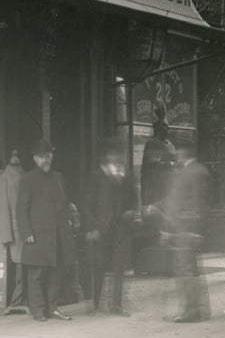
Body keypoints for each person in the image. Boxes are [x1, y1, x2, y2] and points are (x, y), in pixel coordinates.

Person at [16, 139, 77, 322]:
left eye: (48, 155)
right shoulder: (27, 179)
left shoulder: (58, 177)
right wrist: (26, 233)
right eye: (41, 157)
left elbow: (63, 204)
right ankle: (38, 310)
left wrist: (68, 224)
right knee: (36, 274)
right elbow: (21, 209)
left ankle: (53, 308)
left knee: (56, 272)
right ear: (35, 158)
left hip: (57, 234)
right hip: (37, 235)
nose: (45, 160)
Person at [149, 143, 210, 323]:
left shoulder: (196, 172)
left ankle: (192, 311)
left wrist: (197, 231)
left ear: (185, 152)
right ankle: (191, 309)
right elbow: (175, 197)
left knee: (187, 270)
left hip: (188, 228)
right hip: (182, 227)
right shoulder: (188, 170)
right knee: (185, 269)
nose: (175, 154)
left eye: (178, 151)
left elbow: (201, 203)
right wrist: (157, 206)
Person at [82, 138, 138, 316]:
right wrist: (93, 227)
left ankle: (116, 305)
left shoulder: (127, 175)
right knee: (98, 266)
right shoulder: (97, 175)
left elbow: (134, 199)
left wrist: (131, 211)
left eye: (119, 154)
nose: (117, 157)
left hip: (122, 229)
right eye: (114, 154)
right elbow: (87, 204)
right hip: (102, 228)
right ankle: (95, 304)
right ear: (107, 156)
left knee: (119, 267)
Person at [0, 148, 27, 314]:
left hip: (19, 227)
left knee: (20, 264)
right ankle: (17, 299)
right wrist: (6, 233)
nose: (15, 157)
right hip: (16, 228)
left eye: (16, 154)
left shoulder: (14, 175)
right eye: (13, 155)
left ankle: (18, 299)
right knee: (19, 263)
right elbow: (3, 208)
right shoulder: (7, 178)